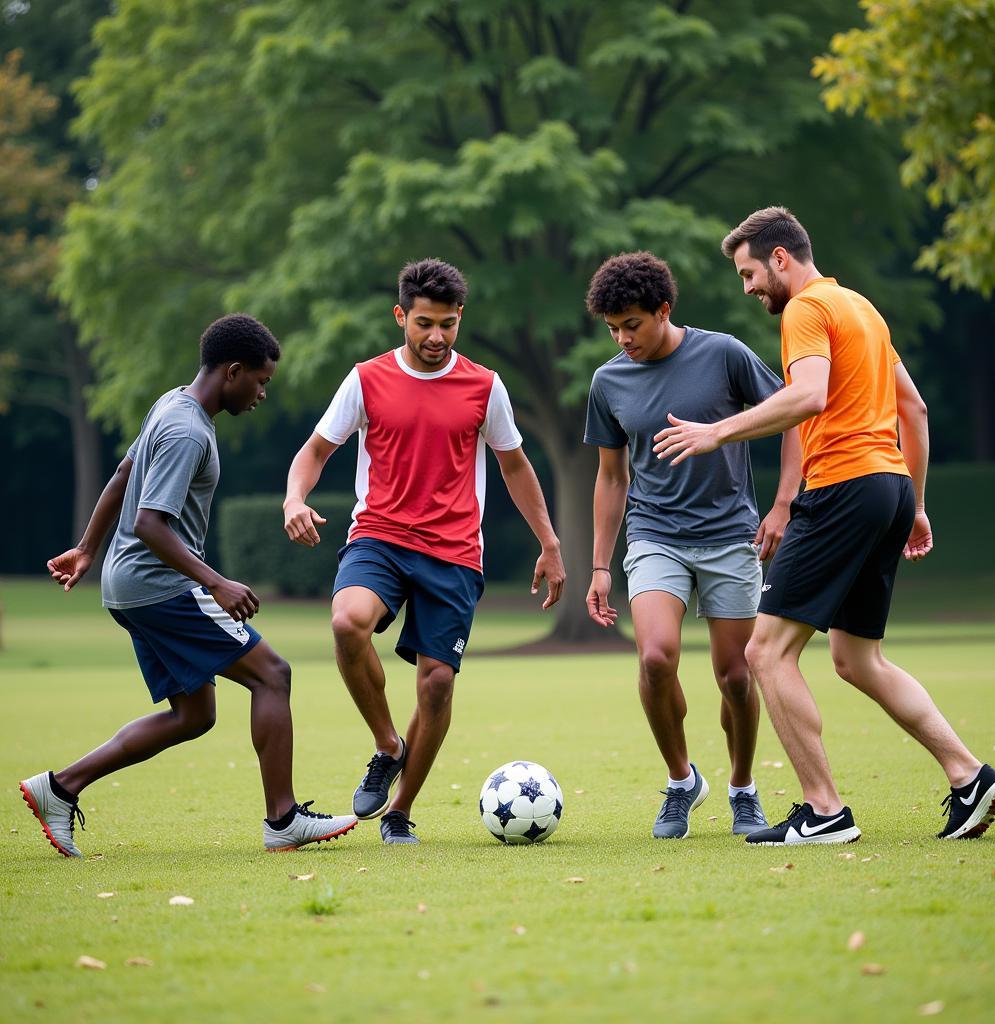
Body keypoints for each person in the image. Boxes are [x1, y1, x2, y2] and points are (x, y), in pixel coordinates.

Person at [653, 206, 995, 844]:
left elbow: (808, 397)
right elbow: (916, 410)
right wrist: (916, 503)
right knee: (856, 658)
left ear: (781, 257)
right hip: (888, 487)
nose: (748, 288)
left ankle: (823, 812)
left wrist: (718, 431)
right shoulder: (861, 307)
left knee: (764, 650)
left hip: (844, 486)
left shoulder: (806, 310)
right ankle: (968, 775)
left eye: (749, 272)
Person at [21, 314, 357, 857]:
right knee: (273, 675)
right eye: (261, 380)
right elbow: (151, 521)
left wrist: (88, 548)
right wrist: (217, 582)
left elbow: (123, 475)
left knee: (195, 715)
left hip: (128, 585)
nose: (263, 393)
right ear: (232, 371)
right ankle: (283, 820)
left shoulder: (171, 403)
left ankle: (59, 788)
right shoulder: (186, 429)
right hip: (160, 585)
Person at [283, 258, 565, 845]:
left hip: (454, 552)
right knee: (346, 622)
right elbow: (314, 451)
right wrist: (294, 498)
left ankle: (399, 812)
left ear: (461, 319)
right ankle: (389, 744)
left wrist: (550, 542)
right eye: (424, 324)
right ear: (401, 317)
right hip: (379, 538)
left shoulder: (486, 387)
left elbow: (515, 466)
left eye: (448, 324)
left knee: (436, 685)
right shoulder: (365, 380)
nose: (436, 337)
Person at [584, 251, 802, 840]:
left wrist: (783, 505)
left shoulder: (724, 354)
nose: (623, 338)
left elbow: (794, 418)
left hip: (731, 536)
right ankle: (682, 781)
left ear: (664, 310)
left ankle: (742, 787)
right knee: (655, 657)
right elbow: (611, 477)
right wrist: (600, 565)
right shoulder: (608, 381)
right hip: (655, 535)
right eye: (612, 329)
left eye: (632, 324)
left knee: (736, 675)